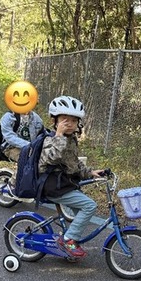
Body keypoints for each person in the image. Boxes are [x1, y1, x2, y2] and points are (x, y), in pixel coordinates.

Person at [38, 95, 104, 258]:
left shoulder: (71, 139)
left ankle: (68, 242)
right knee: (89, 206)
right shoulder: (50, 139)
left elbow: (73, 163)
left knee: (80, 212)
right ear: (54, 121)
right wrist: (59, 136)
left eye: (73, 121)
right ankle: (68, 240)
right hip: (53, 186)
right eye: (64, 120)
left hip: (65, 184)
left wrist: (90, 172)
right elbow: (51, 158)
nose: (69, 124)